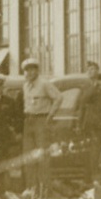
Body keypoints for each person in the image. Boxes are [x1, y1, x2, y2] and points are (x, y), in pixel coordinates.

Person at [20, 59, 62, 192]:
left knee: (42, 155)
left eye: (32, 69)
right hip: (29, 121)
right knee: (28, 155)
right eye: (27, 70)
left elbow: (59, 97)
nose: (29, 72)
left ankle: (44, 189)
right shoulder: (25, 85)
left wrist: (51, 114)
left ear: (37, 70)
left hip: (41, 121)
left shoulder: (44, 83)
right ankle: (31, 188)